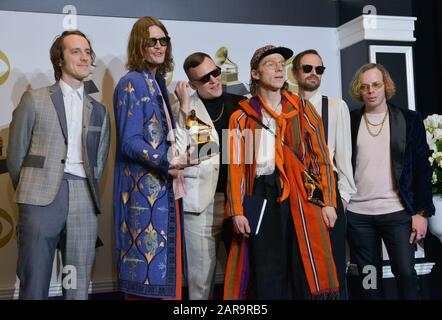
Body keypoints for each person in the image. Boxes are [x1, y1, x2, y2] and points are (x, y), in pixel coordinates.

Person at [223, 45, 339, 300]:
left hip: (300, 193)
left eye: (281, 64)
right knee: (267, 268)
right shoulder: (241, 117)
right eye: (270, 64)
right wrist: (237, 211)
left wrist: (329, 202)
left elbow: (321, 160)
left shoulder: (302, 109)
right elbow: (236, 169)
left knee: (303, 264)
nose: (278, 68)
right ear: (255, 73)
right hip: (261, 193)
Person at [7, 30, 110, 299]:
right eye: (76, 51)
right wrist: (31, 195)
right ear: (59, 60)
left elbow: (98, 162)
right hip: (40, 199)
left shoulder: (98, 110)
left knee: (76, 284)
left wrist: (86, 193)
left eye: (88, 51)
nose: (84, 57)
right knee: (35, 282)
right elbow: (16, 156)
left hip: (83, 200)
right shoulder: (34, 99)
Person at [113, 16, 189, 299]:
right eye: (151, 42)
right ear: (139, 46)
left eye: (163, 41)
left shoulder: (158, 84)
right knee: (147, 284)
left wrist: (184, 107)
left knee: (167, 279)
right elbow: (130, 142)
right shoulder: (131, 83)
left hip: (166, 193)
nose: (159, 47)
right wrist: (165, 161)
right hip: (144, 195)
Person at [347, 63, 435, 299]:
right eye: (365, 87)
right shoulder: (350, 120)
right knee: (369, 278)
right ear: (359, 90)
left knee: (406, 273)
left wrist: (422, 212)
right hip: (358, 215)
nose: (371, 91)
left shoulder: (409, 119)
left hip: (397, 212)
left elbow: (421, 168)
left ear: (385, 86)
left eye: (376, 85)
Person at [174, 52, 245, 299]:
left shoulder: (240, 104)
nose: (214, 80)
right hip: (203, 202)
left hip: (238, 201)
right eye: (205, 78)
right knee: (201, 282)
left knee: (242, 278)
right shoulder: (187, 108)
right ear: (192, 85)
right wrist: (184, 108)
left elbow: (253, 157)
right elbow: (193, 152)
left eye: (216, 73)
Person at [292, 49, 357, 299]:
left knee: (333, 263)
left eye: (319, 69)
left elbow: (344, 157)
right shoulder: (286, 104)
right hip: (296, 193)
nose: (313, 74)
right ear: (295, 71)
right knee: (301, 263)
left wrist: (341, 197)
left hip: (328, 192)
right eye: (307, 68)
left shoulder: (336, 106)